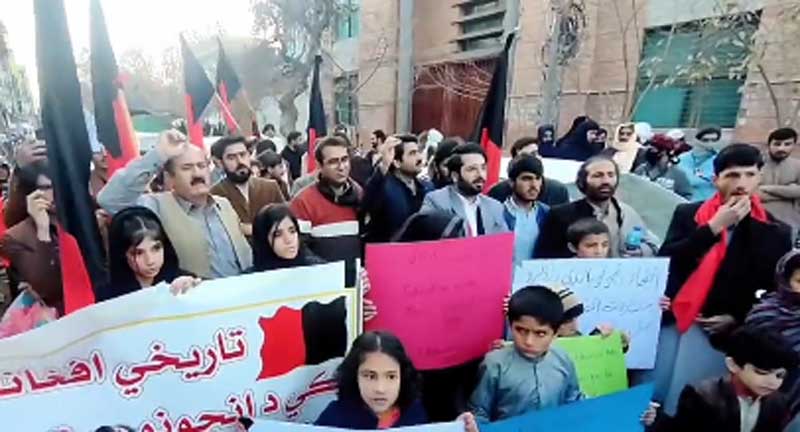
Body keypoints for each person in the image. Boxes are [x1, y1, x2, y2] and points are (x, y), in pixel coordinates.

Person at [651, 143, 792, 414]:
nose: (741, 183)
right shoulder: (689, 214)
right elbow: (667, 260)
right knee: (661, 398)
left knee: (706, 404)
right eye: (732, 175)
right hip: (677, 321)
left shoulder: (775, 230)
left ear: (759, 178)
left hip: (725, 335)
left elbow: (774, 291)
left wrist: (736, 317)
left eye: (749, 175)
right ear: (716, 180)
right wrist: (714, 227)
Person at [97, 130, 252, 279]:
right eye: (187, 168)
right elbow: (110, 199)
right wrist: (158, 155)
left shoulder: (223, 205)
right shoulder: (155, 207)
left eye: (201, 166)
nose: (197, 173)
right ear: (170, 177)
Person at [315, 331, 478, 431]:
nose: (380, 388)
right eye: (370, 376)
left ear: (403, 377)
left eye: (391, 376)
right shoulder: (333, 417)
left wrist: (454, 429)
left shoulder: (414, 413)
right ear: (354, 376)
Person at [642, 326, 797, 432]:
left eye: (779, 376)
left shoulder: (778, 402)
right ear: (733, 365)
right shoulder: (703, 395)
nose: (772, 382)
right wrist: (656, 419)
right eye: (761, 373)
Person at [469, 285, 583, 423]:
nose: (529, 341)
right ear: (510, 326)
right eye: (521, 330)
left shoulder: (563, 359)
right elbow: (479, 412)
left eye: (540, 333)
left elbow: (574, 401)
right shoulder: (494, 364)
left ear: (555, 333)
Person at [535, 156, 658, 258]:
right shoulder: (561, 215)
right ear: (583, 181)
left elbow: (651, 245)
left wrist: (640, 251)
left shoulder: (627, 213)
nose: (606, 181)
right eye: (598, 175)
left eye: (611, 175)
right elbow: (546, 257)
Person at [290, 136, 362, 285]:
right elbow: (301, 249)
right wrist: (333, 273)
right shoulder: (303, 202)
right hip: (322, 285)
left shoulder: (360, 195)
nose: (341, 167)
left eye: (344, 159)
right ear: (319, 165)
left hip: (357, 284)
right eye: (333, 162)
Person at [100, 206, 200, 301]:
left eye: (156, 248)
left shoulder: (185, 281)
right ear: (122, 254)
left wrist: (194, 290)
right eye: (138, 253)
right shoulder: (107, 295)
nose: (150, 260)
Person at [0, 162, 62, 313]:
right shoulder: (16, 237)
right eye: (46, 188)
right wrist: (43, 231)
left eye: (57, 185)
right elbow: (47, 290)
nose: (54, 193)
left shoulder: (83, 218)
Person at [747, 249, 800, 418]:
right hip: (744, 396)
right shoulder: (765, 313)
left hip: (785, 408)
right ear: (785, 280)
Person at [420, 144, 509, 236]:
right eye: (472, 169)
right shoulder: (436, 201)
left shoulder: (494, 206)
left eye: (483, 168)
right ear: (455, 176)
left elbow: (503, 244)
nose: (481, 175)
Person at [361, 134, 433, 243]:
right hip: (390, 253)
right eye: (412, 153)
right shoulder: (384, 188)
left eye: (418, 152)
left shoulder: (426, 187)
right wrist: (383, 166)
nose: (419, 158)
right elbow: (367, 205)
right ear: (397, 162)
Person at [209, 136, 285, 238]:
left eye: (243, 155)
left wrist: (250, 229)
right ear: (220, 163)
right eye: (231, 157)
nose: (240, 161)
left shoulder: (270, 187)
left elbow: (285, 221)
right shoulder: (214, 194)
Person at [487, 137, 570, 207]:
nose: (536, 158)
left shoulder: (558, 191)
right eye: (530, 155)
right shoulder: (498, 192)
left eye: (536, 153)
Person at [502, 155, 549, 266]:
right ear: (511, 182)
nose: (534, 185)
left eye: (538, 178)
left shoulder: (547, 214)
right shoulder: (495, 213)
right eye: (527, 179)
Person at [250, 204, 325, 272]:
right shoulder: (248, 280)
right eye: (277, 234)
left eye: (292, 231)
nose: (288, 240)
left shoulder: (318, 269)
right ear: (263, 240)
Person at [759, 127, 800, 232]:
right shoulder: (756, 164)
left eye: (787, 144)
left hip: (789, 223)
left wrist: (767, 188)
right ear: (769, 145)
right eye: (777, 144)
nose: (781, 148)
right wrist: (788, 192)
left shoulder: (797, 166)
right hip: (758, 221)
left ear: (794, 145)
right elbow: (754, 194)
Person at [633, 134, 693, 199]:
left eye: (654, 148)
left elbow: (686, 196)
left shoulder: (677, 174)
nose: (650, 151)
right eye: (650, 148)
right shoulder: (640, 170)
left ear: (665, 151)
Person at [676, 126, 723, 202]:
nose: (710, 143)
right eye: (705, 140)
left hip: (710, 203)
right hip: (685, 202)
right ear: (697, 140)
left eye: (714, 140)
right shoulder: (682, 158)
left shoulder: (722, 158)